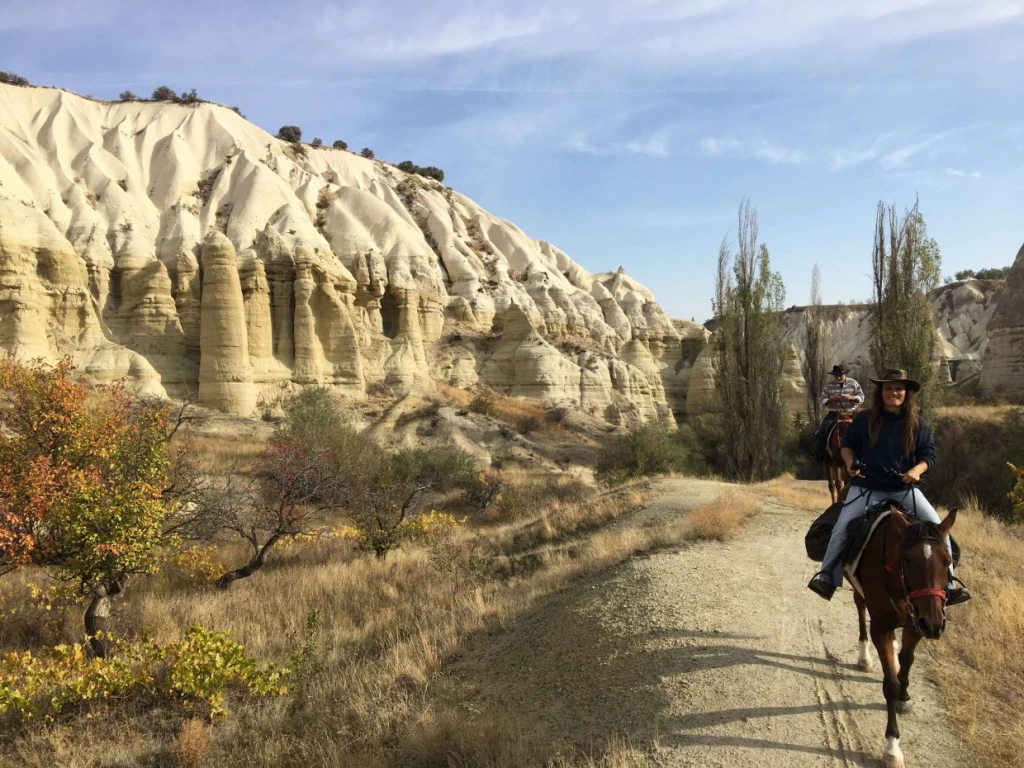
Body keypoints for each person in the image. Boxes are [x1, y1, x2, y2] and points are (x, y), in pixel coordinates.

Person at [807, 369, 971, 605]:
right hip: (867, 488)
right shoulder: (864, 420)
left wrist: (916, 470)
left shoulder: (918, 424)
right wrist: (851, 463)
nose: (894, 392)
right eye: (888, 388)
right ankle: (827, 577)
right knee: (841, 527)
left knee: (938, 530)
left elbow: (928, 455)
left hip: (904, 490)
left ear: (906, 393)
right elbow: (848, 446)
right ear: (881, 392)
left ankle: (950, 585)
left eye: (898, 388)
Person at [813, 365, 865, 461]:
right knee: (823, 429)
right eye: (836, 375)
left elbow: (861, 397)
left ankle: (867, 454)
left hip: (852, 413)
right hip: (835, 414)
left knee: (865, 429)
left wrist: (852, 398)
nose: (839, 377)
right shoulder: (828, 385)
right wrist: (832, 399)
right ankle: (819, 453)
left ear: (844, 374)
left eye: (841, 375)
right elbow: (823, 400)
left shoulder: (853, 383)